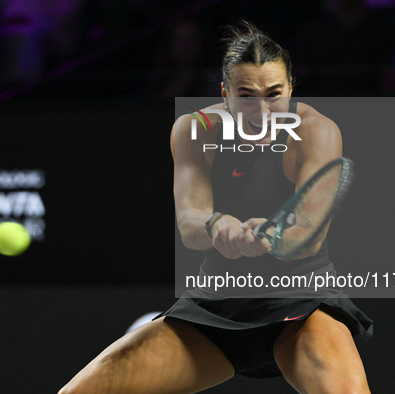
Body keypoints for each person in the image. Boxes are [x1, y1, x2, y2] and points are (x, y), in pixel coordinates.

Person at [58, 22, 373, 394]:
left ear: (291, 89)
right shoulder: (194, 130)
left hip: (301, 305)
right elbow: (190, 222)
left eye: (274, 94)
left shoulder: (316, 131)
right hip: (216, 308)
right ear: (225, 95)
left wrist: (275, 234)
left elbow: (310, 227)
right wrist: (217, 225)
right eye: (246, 96)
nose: (262, 110)